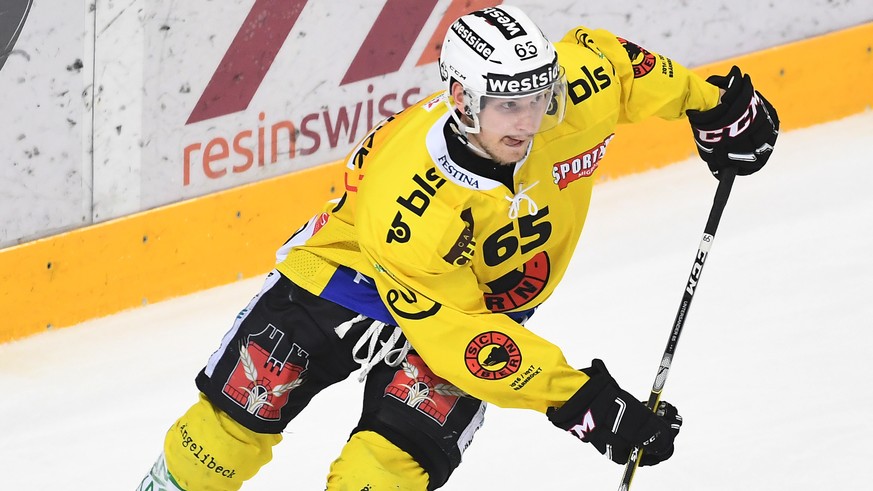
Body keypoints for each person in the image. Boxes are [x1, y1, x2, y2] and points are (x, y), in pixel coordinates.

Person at [138, 5, 778, 490]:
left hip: (471, 303)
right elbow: (461, 342)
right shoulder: (409, 205)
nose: (529, 121)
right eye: (507, 106)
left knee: (381, 475)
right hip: (345, 279)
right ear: (462, 100)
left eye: (539, 96)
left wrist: (713, 106)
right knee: (222, 440)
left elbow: (617, 65)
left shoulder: (570, 95)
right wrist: (581, 402)